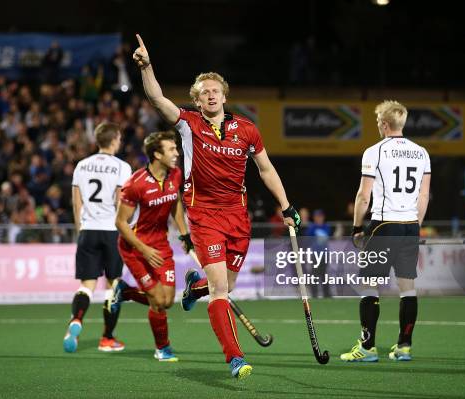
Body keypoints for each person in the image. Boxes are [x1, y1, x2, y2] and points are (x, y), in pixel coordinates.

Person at [133, 34, 300, 379]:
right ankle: (235, 357)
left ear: (225, 95)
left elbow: (266, 169)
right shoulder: (188, 124)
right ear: (197, 99)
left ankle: (195, 286)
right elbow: (157, 99)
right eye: (204, 92)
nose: (210, 95)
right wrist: (147, 67)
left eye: (215, 90)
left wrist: (286, 207)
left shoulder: (248, 130)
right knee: (221, 291)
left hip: (237, 217)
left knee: (226, 285)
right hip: (204, 214)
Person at [341, 100, 431, 362]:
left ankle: (367, 348)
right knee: (407, 288)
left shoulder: (374, 151)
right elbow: (424, 195)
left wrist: (357, 227)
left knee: (369, 284)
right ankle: (404, 347)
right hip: (409, 226)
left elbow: (363, 196)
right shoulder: (421, 152)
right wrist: (416, 226)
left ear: (383, 124)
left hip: (383, 224)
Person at [112, 131, 192, 362]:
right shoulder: (135, 185)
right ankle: (163, 348)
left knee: (167, 300)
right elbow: (120, 222)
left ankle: (125, 291)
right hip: (134, 248)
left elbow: (176, 203)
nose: (177, 153)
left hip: (161, 244)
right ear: (157, 154)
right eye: (171, 149)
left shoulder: (175, 174)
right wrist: (144, 249)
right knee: (157, 301)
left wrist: (185, 235)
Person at [63, 122, 132, 353]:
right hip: (112, 230)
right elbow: (120, 200)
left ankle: (76, 320)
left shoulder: (81, 166)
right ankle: (107, 338)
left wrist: (79, 229)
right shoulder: (122, 167)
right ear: (114, 141)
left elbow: (76, 202)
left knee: (86, 286)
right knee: (113, 287)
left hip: (88, 230)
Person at [305, 209, 332, 298]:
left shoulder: (326, 227)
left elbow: (328, 237)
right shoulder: (312, 227)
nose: (319, 218)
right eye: (317, 217)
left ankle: (326, 294)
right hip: (315, 255)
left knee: (324, 274)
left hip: (324, 254)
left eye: (320, 216)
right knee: (314, 275)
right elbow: (307, 239)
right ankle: (314, 294)